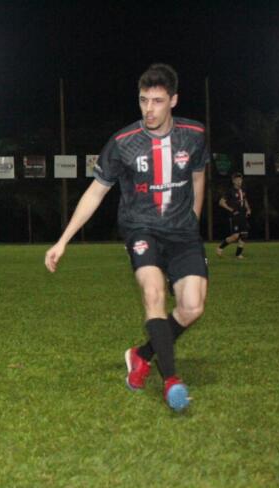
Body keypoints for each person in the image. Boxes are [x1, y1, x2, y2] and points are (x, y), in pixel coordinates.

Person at [45, 63, 209, 412]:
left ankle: (142, 354)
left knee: (192, 307)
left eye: (157, 101)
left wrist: (193, 218)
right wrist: (63, 240)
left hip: (182, 232)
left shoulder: (194, 134)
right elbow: (95, 192)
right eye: (143, 100)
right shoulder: (122, 144)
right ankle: (171, 381)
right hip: (141, 228)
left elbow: (198, 176)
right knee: (153, 292)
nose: (149, 109)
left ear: (173, 101)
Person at [216, 172, 251, 259]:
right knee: (235, 236)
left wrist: (248, 209)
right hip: (235, 216)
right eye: (237, 180)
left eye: (240, 180)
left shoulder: (243, 190)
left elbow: (244, 200)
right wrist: (231, 210)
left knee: (244, 235)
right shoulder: (230, 191)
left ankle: (238, 254)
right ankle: (220, 248)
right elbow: (221, 202)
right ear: (233, 181)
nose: (239, 181)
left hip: (243, 215)